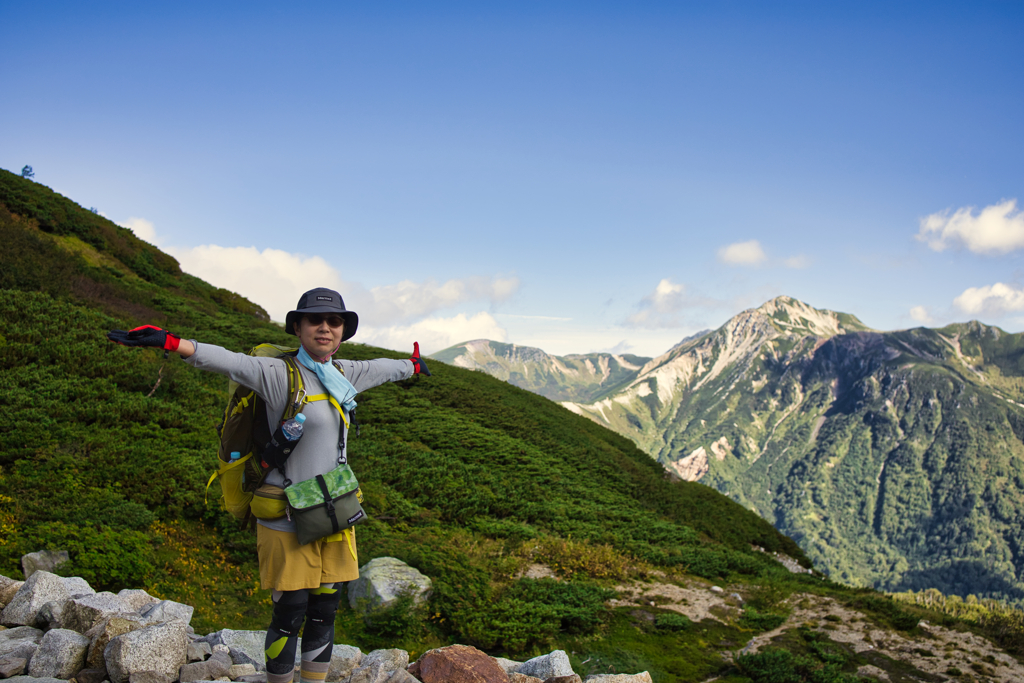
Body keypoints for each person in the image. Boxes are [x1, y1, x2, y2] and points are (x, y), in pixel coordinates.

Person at [108, 287, 430, 683]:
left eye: (334, 321)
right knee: (289, 612)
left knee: (324, 611)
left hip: (333, 511)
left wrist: (413, 365)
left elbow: (384, 368)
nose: (325, 328)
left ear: (343, 331)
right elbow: (231, 362)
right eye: (315, 320)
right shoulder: (279, 374)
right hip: (285, 514)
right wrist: (173, 344)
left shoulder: (345, 374)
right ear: (298, 328)